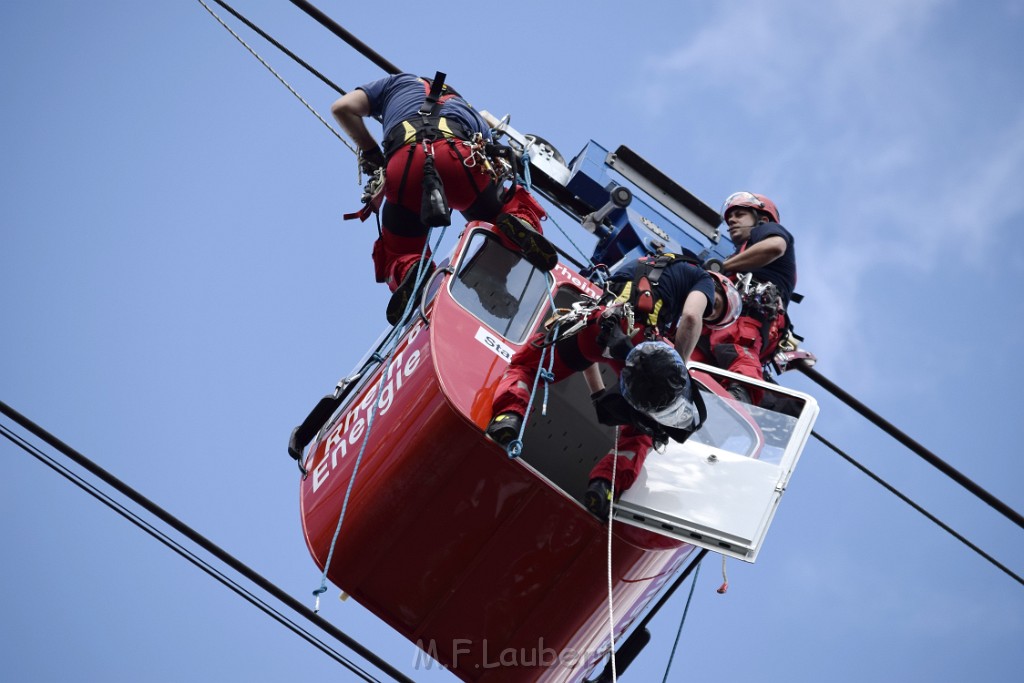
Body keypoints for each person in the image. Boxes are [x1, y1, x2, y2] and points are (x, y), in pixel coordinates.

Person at [486, 252, 741, 520]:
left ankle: (509, 416)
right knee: (642, 431)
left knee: (527, 367)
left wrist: (598, 395)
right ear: (717, 285)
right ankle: (605, 485)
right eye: (714, 307)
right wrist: (676, 373)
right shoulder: (703, 279)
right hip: (640, 339)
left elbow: (593, 350)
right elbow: (690, 318)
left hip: (597, 326)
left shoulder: (642, 262)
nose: (709, 310)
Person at [330, 72, 556, 324]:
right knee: (506, 210)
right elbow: (495, 163)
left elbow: (342, 108)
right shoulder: (466, 109)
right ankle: (508, 243)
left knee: (399, 248)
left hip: (405, 164)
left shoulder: (393, 84)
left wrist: (371, 152)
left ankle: (411, 270)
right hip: (462, 159)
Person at [693, 192, 796, 404]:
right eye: (730, 217)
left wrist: (723, 267)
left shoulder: (766, 231)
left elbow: (775, 246)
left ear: (762, 219)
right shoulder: (740, 254)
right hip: (718, 324)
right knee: (688, 358)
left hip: (749, 319)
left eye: (740, 215)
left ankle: (740, 399)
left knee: (734, 347)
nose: (731, 220)